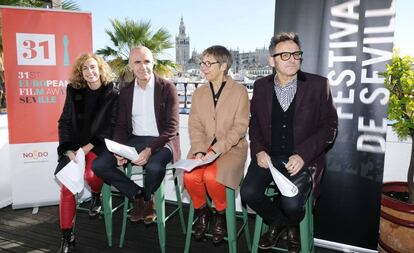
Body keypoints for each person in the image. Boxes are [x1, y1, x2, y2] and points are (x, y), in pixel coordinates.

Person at [240, 32, 338, 253]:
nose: (293, 59)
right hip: (269, 157)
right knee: (248, 193)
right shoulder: (261, 86)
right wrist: (258, 151)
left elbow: (330, 127)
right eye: (284, 55)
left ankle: (288, 223)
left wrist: (303, 155)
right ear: (271, 60)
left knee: (292, 204)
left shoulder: (318, 85)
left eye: (296, 54)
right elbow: (254, 124)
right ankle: (282, 223)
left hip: (304, 159)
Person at [92, 46, 180, 225]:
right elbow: (122, 125)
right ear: (131, 65)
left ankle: (147, 200)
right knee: (99, 164)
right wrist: (118, 149)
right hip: (136, 140)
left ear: (153, 63)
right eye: (137, 62)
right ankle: (139, 195)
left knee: (154, 167)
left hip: (163, 142)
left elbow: (172, 127)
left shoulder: (167, 88)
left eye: (147, 61)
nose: (143, 66)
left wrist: (150, 150)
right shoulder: (125, 92)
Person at [184, 45, 249, 244]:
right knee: (190, 175)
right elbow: (194, 124)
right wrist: (200, 149)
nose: (203, 67)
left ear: (223, 66)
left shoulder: (239, 92)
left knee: (213, 177)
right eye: (202, 62)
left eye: (208, 63)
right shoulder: (198, 93)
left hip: (231, 148)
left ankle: (220, 213)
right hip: (202, 147)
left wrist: (216, 149)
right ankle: (203, 212)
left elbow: (239, 128)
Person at [54, 53, 118, 253]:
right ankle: (67, 236)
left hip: (98, 146)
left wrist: (88, 147)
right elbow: (64, 122)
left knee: (91, 174)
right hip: (74, 147)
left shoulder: (112, 92)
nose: (89, 72)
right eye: (85, 68)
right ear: (80, 73)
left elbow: (111, 126)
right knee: (66, 187)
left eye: (92, 67)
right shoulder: (74, 91)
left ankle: (96, 195)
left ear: (100, 69)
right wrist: (67, 148)